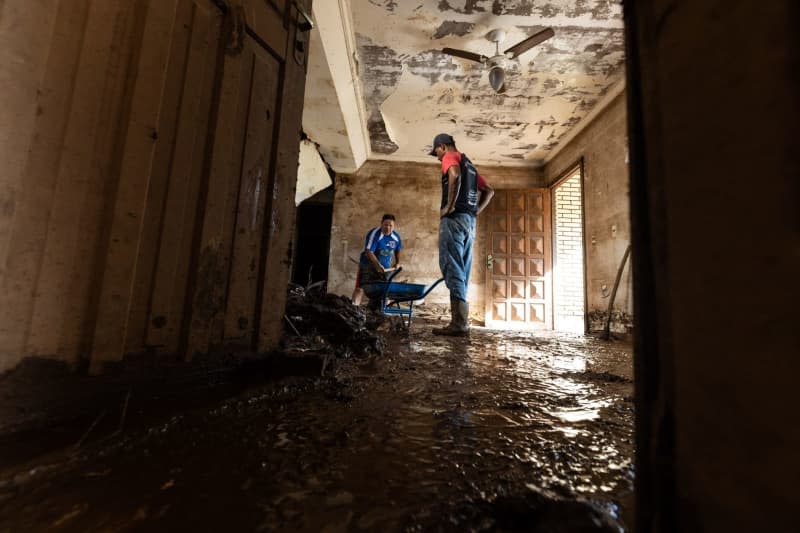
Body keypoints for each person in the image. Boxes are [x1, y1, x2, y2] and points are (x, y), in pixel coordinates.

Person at [429, 133, 494, 336]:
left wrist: (449, 206)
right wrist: (474, 212)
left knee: (452, 265)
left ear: (443, 146)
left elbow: (454, 175)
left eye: (437, 153)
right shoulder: (470, 166)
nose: (439, 158)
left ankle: (459, 324)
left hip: (454, 220)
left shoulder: (451, 157)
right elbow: (490, 191)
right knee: (463, 269)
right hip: (469, 222)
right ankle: (461, 322)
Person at [351, 214, 403, 306]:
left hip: (385, 269)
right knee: (360, 287)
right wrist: (377, 264)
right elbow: (369, 251)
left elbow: (398, 250)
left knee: (385, 290)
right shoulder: (374, 234)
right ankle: (353, 308)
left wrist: (397, 263)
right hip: (367, 266)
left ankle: (378, 311)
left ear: (394, 226)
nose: (388, 228)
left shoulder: (396, 237)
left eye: (390, 225)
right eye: (385, 225)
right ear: (381, 224)